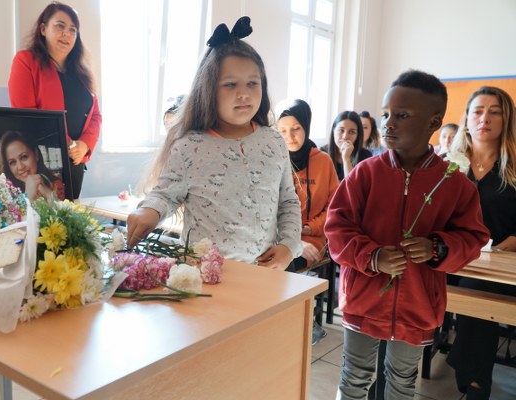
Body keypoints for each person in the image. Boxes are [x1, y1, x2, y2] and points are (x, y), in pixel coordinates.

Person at [324, 70, 490, 400]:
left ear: (433, 122)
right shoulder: (365, 174)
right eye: (386, 114)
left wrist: (437, 248)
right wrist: (373, 256)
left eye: (401, 116)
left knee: (402, 382)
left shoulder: (454, 183)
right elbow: (337, 228)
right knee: (354, 376)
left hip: (418, 305)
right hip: (363, 299)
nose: (388, 124)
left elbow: (473, 237)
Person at [127, 16, 302, 271]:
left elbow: (288, 202)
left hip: (262, 276)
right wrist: (149, 211)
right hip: (204, 276)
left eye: (252, 83)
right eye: (230, 84)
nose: (243, 93)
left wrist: (288, 246)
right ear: (208, 89)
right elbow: (165, 194)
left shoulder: (274, 141)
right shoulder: (190, 146)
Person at [446, 86, 516, 400]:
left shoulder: (513, 168)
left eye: (494, 112)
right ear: (466, 118)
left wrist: (501, 248)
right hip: (452, 257)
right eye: (477, 111)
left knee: (477, 291)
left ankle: (474, 384)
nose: (484, 118)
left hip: (500, 263)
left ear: (506, 119)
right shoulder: (449, 165)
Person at [8, 2, 101, 199]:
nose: (66, 34)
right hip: (44, 163)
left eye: (73, 30)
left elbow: (96, 116)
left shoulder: (83, 73)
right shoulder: (26, 61)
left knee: (70, 217)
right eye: (60, 26)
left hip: (75, 164)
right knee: (44, 218)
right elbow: (27, 115)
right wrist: (68, 145)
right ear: (43, 29)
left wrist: (84, 145)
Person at [277, 98, 339, 344]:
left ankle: (301, 323)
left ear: (306, 127)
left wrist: (308, 229)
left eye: (296, 129)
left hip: (314, 238)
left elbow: (335, 208)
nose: (289, 137)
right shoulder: (275, 159)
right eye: (282, 131)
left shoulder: (323, 161)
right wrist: (293, 240)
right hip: (283, 237)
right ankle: (293, 321)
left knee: (283, 261)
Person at [0, 130, 65, 201]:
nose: (20, 167)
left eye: (24, 157)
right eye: (12, 162)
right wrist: (28, 197)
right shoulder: (5, 195)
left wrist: (48, 194)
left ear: (36, 154)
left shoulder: (55, 185)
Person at [321, 111, 372, 181]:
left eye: (352, 132)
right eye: (341, 130)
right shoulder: (322, 153)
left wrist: (346, 159)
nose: (345, 136)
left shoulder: (365, 156)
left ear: (357, 135)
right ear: (333, 131)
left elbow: (353, 186)